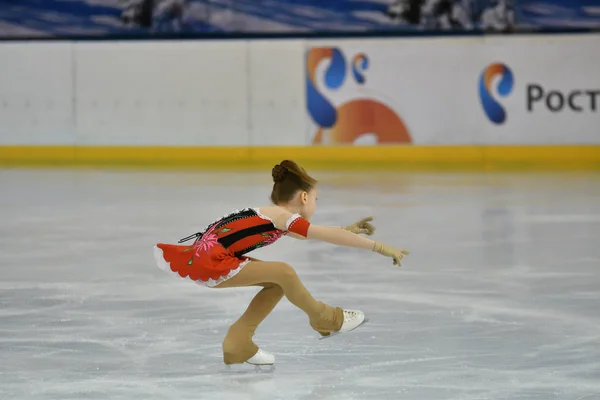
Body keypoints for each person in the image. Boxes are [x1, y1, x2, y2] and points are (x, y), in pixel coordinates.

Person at [153, 160, 409, 366]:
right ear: (305, 198)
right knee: (284, 272)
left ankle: (238, 343)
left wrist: (347, 228)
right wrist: (380, 247)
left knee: (277, 283)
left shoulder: (271, 215)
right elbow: (322, 235)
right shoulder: (283, 217)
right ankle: (325, 318)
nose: (315, 204)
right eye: (316, 199)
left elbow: (309, 232)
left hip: (203, 257)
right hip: (211, 261)